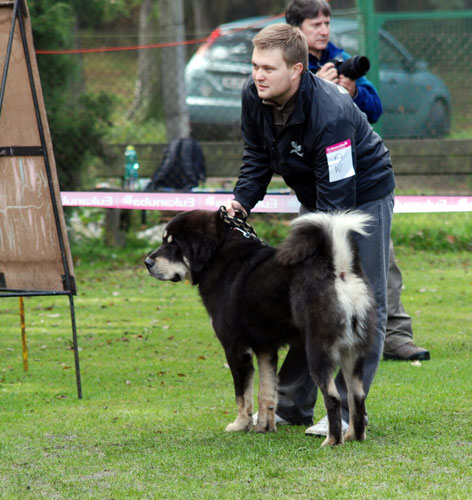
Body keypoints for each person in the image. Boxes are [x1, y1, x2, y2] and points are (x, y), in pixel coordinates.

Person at [226, 22, 395, 437]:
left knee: (358, 297)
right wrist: (241, 201)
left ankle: (348, 409)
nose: (258, 75)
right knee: (307, 297)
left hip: (363, 196)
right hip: (316, 192)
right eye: (254, 66)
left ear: (298, 70)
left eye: (268, 67)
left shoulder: (332, 113)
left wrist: (324, 250)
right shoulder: (255, 95)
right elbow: (257, 156)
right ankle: (292, 403)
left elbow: (339, 197)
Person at [286, 0, 429, 362]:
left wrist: (350, 91)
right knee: (317, 265)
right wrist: (313, 87)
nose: (323, 29)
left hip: (362, 181)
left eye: (327, 22)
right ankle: (322, 339)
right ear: (295, 28)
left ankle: (396, 334)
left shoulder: (341, 58)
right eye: (315, 23)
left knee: (382, 262)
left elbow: (375, 107)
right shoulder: (285, 67)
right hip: (316, 184)